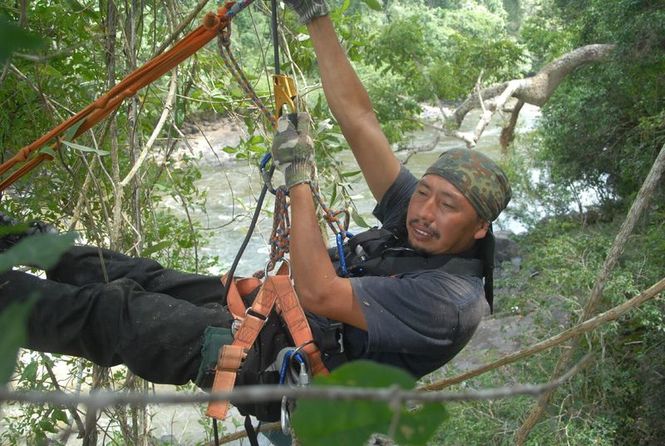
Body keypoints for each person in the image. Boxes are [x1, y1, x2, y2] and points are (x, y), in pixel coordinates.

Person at [0, 0, 510, 413]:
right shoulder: (417, 217)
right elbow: (360, 120)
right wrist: (316, 15)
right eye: (425, 193)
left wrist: (299, 174)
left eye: (448, 206)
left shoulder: (451, 303)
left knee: (118, 311)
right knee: (140, 275)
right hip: (273, 312)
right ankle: (16, 237)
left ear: (480, 228)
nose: (424, 212)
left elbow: (320, 289)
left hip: (267, 365)